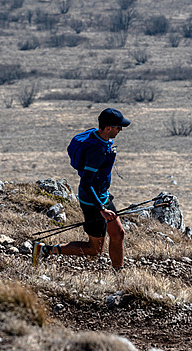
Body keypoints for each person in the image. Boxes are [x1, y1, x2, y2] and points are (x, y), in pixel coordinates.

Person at [33, 108, 131, 271]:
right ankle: (44, 249)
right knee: (94, 249)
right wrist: (101, 209)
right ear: (108, 129)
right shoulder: (97, 152)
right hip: (93, 203)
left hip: (103, 196)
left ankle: (119, 273)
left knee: (118, 234)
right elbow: (86, 183)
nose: (120, 130)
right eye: (118, 127)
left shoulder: (96, 134)